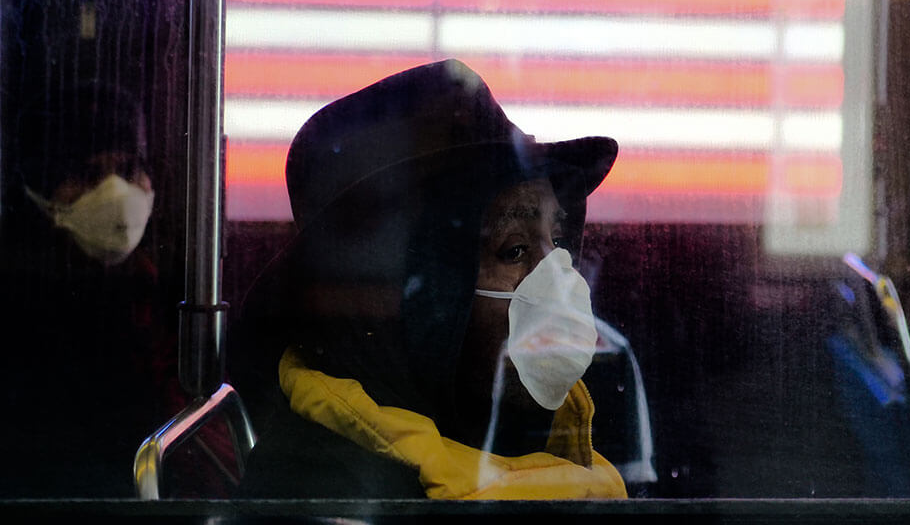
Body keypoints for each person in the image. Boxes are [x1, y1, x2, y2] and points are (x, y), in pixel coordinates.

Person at [234, 59, 627, 499]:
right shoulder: (325, 491)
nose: (559, 279)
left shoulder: (506, 446)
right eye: (513, 250)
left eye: (557, 241)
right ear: (410, 295)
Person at [0, 82, 176, 497]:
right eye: (88, 175)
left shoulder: (158, 287)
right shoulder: (21, 305)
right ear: (40, 191)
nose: (115, 193)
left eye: (129, 170)